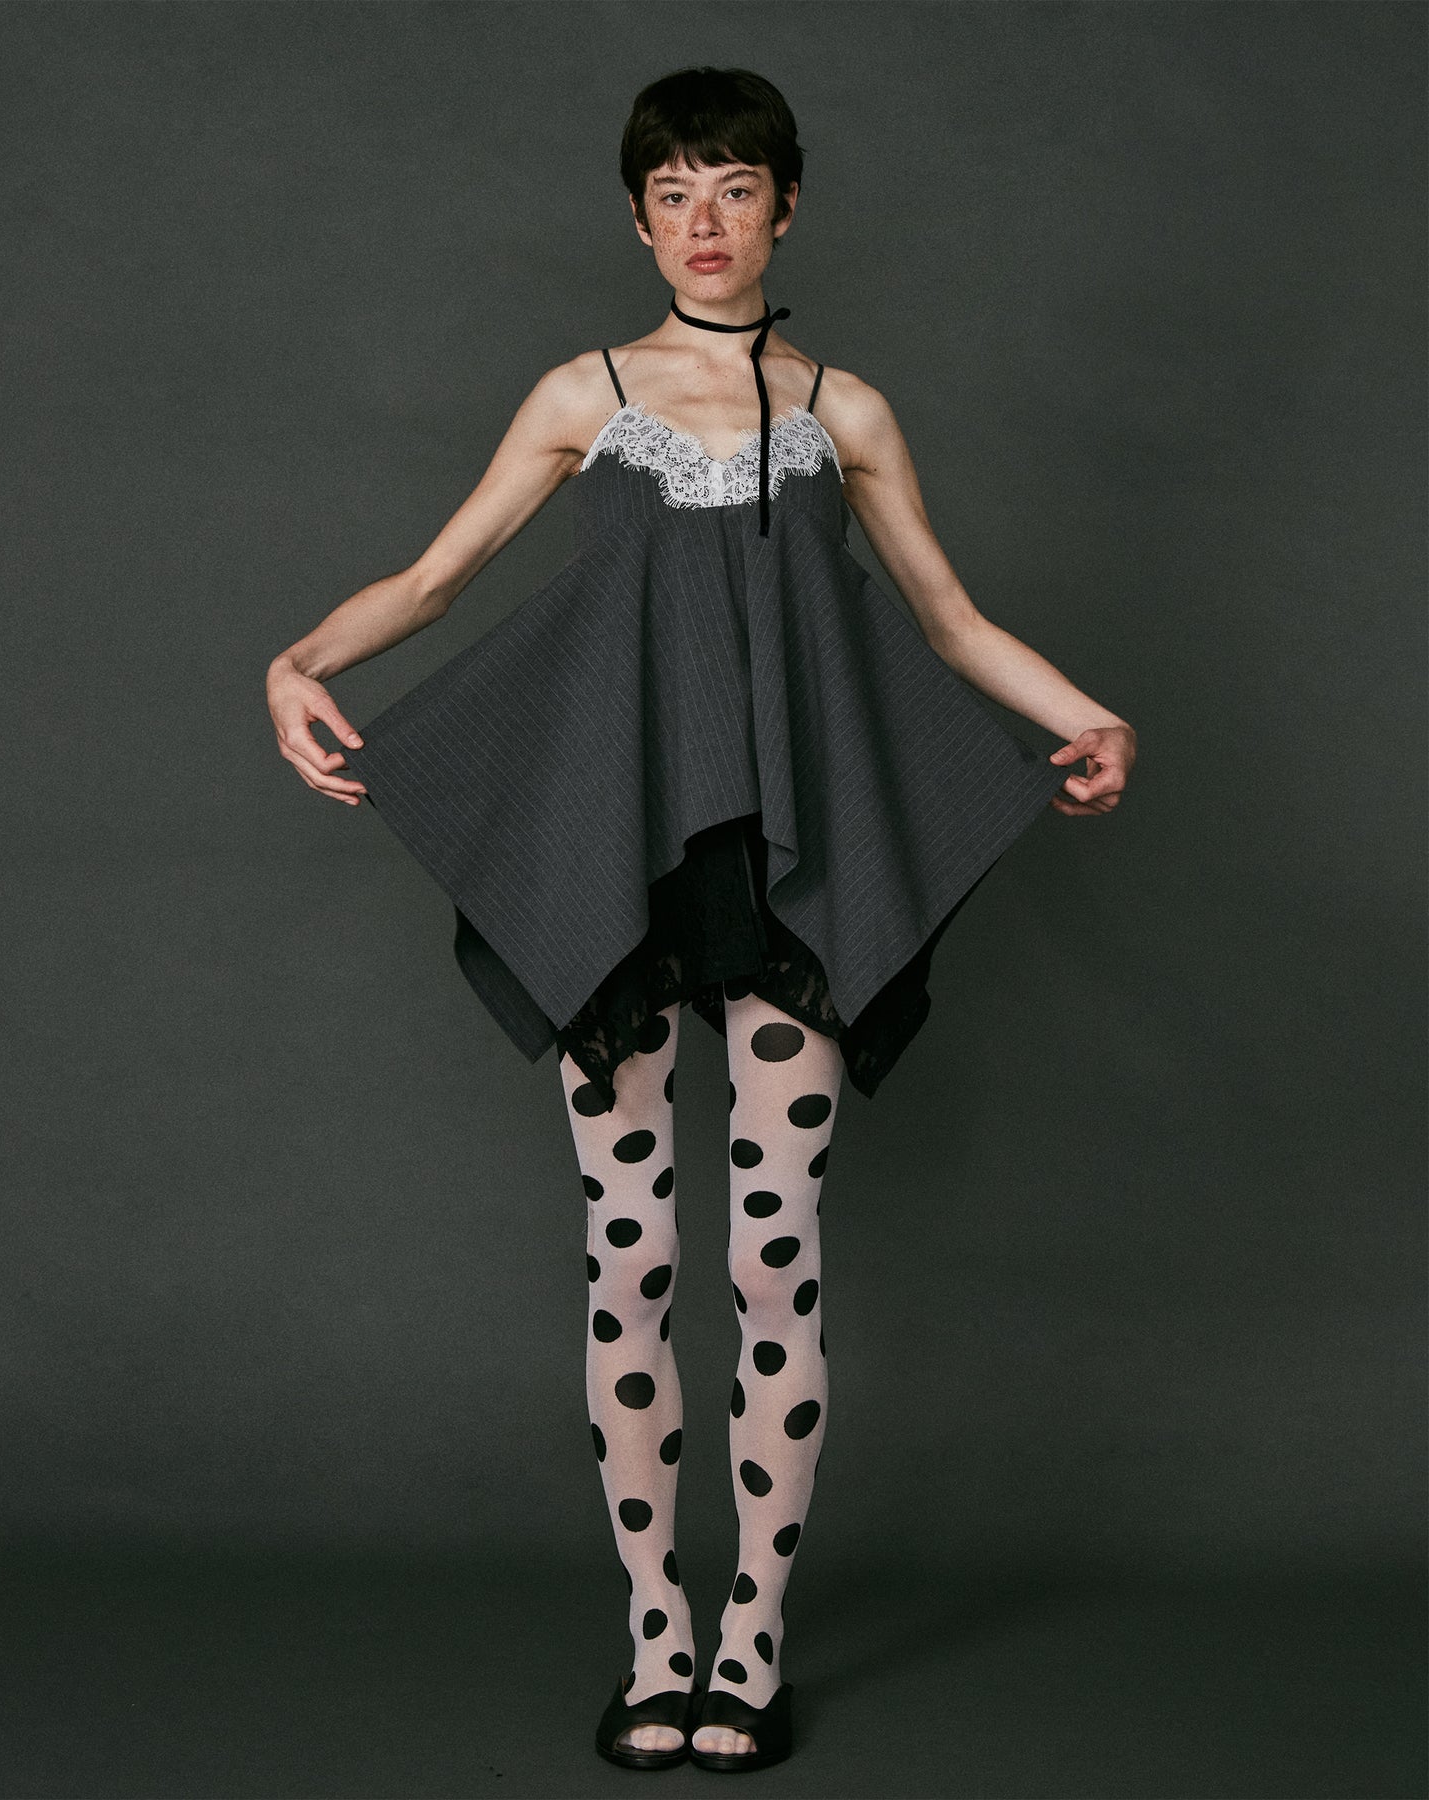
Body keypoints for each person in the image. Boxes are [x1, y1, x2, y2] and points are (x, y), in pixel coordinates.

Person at [265, 64, 1136, 1776]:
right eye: (672, 191)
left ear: (786, 208)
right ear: (639, 216)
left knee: (772, 1253)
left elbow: (950, 621)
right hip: (619, 860)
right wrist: (296, 660)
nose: (704, 220)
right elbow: (434, 580)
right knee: (631, 1255)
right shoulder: (581, 395)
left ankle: (754, 1645)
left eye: (735, 186)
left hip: (792, 870)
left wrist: (1088, 714)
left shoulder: (845, 410)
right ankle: (656, 1635)